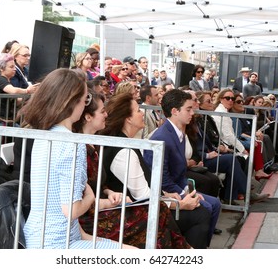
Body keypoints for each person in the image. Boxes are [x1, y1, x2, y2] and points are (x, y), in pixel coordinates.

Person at [22, 68, 134, 249]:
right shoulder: (72, 144)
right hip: (58, 243)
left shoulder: (44, 135)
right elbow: (72, 210)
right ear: (71, 102)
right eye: (85, 99)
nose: (85, 104)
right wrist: (89, 197)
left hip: (44, 238)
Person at [74, 91, 191, 249]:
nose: (106, 114)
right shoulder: (86, 148)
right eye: (102, 111)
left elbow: (98, 184)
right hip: (92, 218)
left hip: (102, 209)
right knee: (158, 213)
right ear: (88, 117)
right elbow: (79, 198)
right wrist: (178, 203)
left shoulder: (94, 145)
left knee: (160, 215)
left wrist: (109, 192)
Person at [144, 89, 221, 247]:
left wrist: (187, 190)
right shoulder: (162, 137)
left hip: (177, 187)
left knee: (215, 204)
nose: (192, 113)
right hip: (166, 194)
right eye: (188, 109)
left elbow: (179, 174)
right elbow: (162, 179)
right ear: (174, 111)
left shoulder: (178, 133)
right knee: (206, 207)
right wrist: (184, 193)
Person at [212, 89, 272, 181]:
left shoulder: (228, 113)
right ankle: (243, 190)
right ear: (221, 99)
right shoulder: (222, 113)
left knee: (256, 144)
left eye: (232, 98)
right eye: (228, 98)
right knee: (246, 155)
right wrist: (242, 149)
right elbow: (230, 136)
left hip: (233, 143)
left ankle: (245, 187)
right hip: (227, 145)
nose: (230, 101)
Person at [0, 53, 37, 121]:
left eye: (15, 67)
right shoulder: (0, 79)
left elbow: (17, 101)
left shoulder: (8, 81)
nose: (15, 69)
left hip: (9, 119)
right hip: (2, 120)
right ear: (1, 69)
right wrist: (27, 91)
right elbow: (13, 91)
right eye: (11, 67)